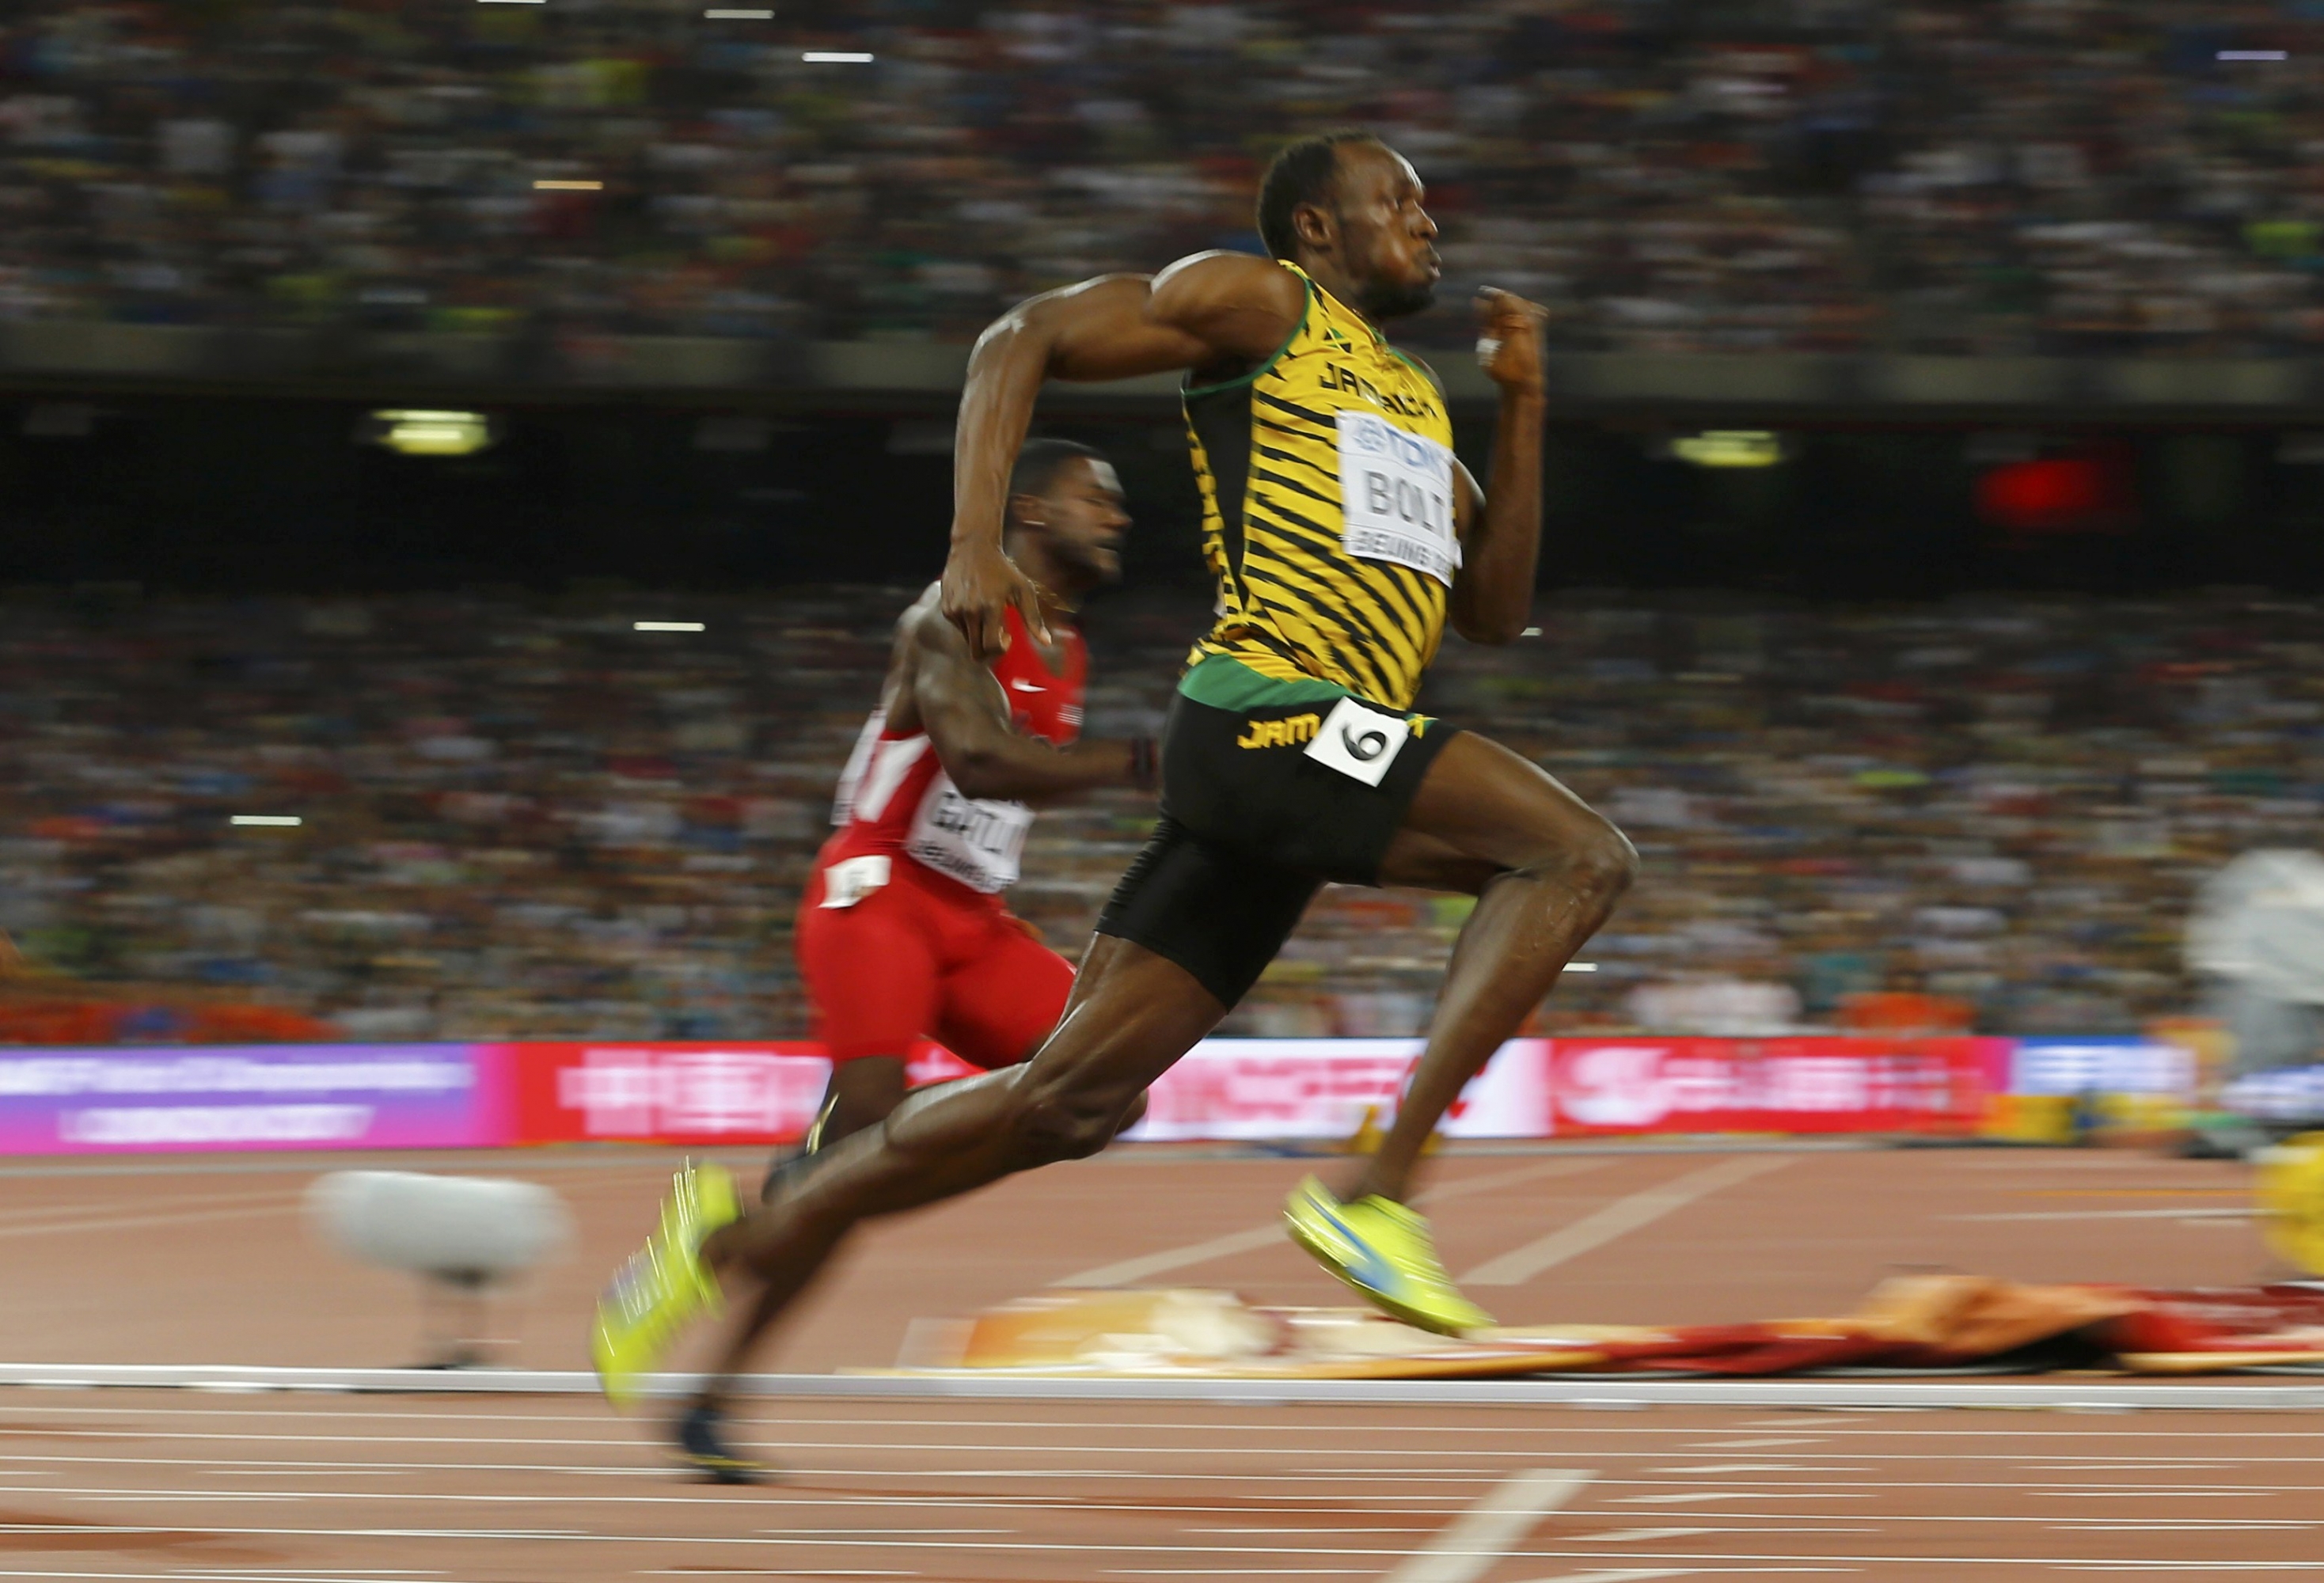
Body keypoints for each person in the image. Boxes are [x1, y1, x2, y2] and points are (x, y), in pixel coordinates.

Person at [592, 129, 1637, 1479]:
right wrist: (973, 542)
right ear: (1316, 229)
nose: (1429, 225)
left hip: (1304, 763)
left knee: (1068, 1103)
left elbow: (1493, 611)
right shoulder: (1264, 305)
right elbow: (1017, 339)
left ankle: (727, 1239)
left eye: (1431, 206)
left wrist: (1530, 401)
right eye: (1400, 202)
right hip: (1268, 718)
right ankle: (1377, 1188)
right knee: (1574, 856)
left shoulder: (1418, 408)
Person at [779, 438, 1154, 1175]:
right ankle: (744, 1227)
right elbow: (981, 763)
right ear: (1034, 512)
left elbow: (1024, 787)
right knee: (868, 1112)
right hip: (882, 893)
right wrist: (1144, 761)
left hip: (977, 921)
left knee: (1106, 1093)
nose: (1118, 520)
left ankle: (851, 1169)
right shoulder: (953, 616)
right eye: (1097, 501)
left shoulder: (1068, 648)